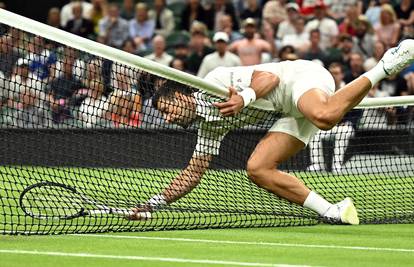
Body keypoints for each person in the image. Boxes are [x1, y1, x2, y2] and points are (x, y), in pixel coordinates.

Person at [129, 39, 414, 224]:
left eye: (167, 110)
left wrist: (244, 97)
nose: (166, 119)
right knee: (258, 168)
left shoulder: (213, 83)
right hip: (288, 110)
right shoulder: (208, 127)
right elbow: (192, 173)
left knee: (324, 115)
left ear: (180, 98)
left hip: (300, 77)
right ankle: (332, 210)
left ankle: (385, 66)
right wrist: (151, 205)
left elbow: (270, 78)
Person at [307, 63, 362, 174]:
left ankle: (337, 166)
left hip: (345, 126)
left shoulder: (349, 88)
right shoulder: (323, 90)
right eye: (331, 73)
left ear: (342, 75)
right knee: (313, 133)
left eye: (336, 73)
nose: (333, 76)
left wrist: (349, 122)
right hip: (327, 126)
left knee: (344, 131)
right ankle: (317, 165)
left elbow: (358, 109)